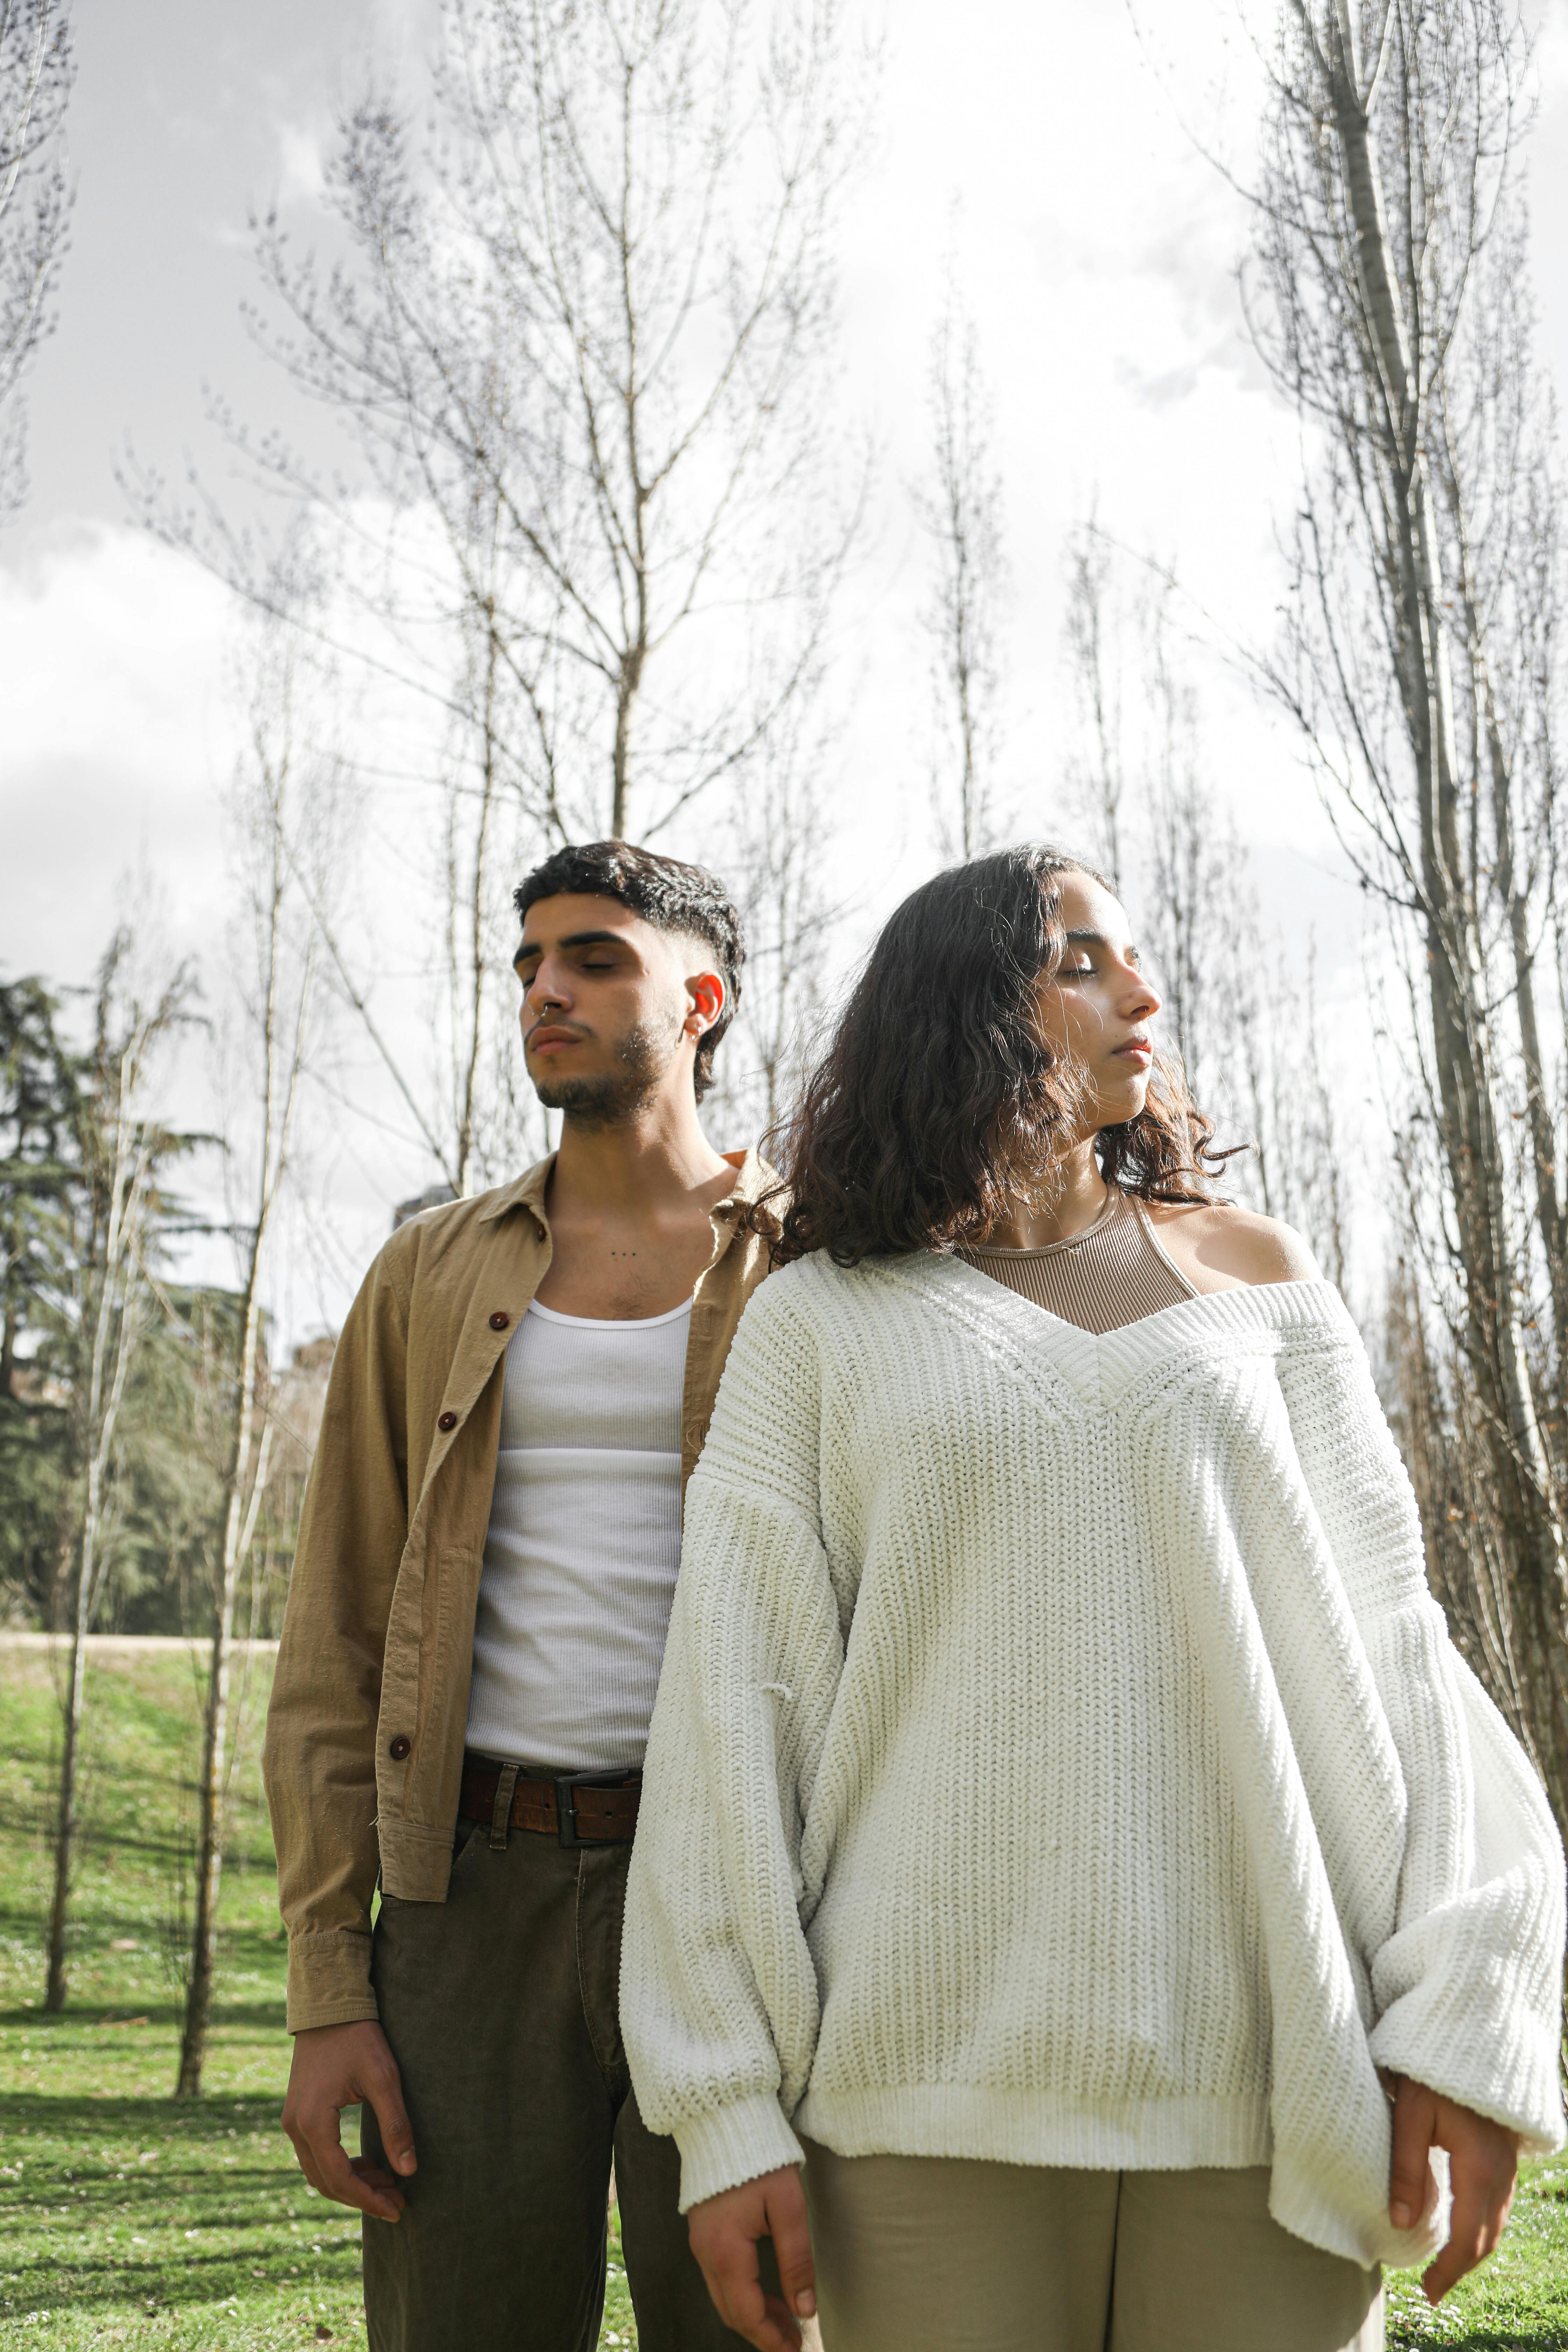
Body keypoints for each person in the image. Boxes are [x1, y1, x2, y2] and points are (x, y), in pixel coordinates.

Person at [621, 845, 1567, 2352]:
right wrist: (725, 2106)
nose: (1139, 992)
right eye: (1077, 961)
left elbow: (1398, 1665)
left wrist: (1467, 2013)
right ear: (966, 1012)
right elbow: (732, 1717)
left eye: (1130, 959)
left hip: (1268, 2081)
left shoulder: (1259, 1284)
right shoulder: (816, 1324)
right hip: (924, 2095)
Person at [263, 840, 782, 2352]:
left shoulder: (819, 1267)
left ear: (701, 999)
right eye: (529, 964)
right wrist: (327, 1988)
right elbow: (335, 1639)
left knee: (759, 2331)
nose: (545, 990)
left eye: (595, 959)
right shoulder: (426, 1272)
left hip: (737, 1904)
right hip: (467, 1903)